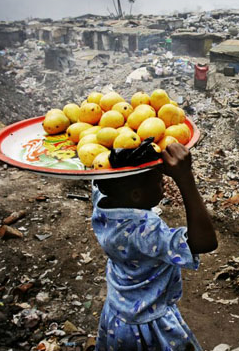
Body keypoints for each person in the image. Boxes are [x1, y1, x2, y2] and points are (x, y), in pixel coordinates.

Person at [91, 143, 217, 351]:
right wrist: (185, 178)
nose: (164, 184)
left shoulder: (102, 201)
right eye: (159, 182)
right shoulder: (145, 230)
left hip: (118, 312)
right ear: (136, 196)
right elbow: (206, 242)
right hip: (147, 322)